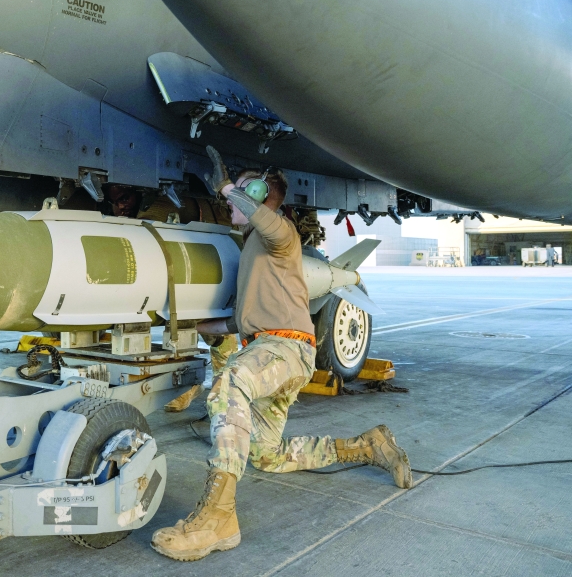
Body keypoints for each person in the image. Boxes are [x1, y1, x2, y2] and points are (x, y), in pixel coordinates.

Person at [150, 146, 413, 562]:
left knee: (229, 384)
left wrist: (224, 187)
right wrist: (188, 325)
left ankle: (218, 518)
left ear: (258, 195)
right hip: (277, 351)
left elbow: (267, 224)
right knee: (266, 456)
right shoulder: (255, 250)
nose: (230, 199)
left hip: (284, 348)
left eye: (241, 190)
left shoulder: (281, 234)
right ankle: (366, 446)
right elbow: (240, 323)